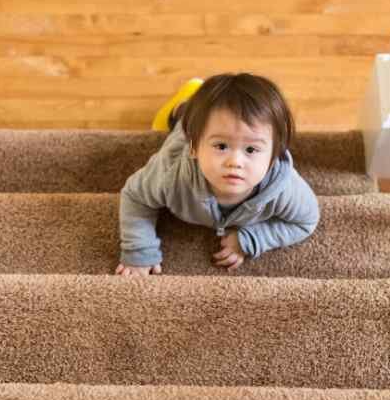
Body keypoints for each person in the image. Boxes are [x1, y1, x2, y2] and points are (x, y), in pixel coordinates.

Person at [115, 72, 320, 275]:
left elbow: (306, 221)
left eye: (251, 150)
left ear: (274, 155)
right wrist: (139, 250)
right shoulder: (170, 175)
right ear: (193, 148)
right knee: (184, 115)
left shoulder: (284, 189)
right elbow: (135, 196)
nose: (235, 162)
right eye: (221, 146)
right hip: (184, 127)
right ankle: (186, 98)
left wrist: (252, 238)